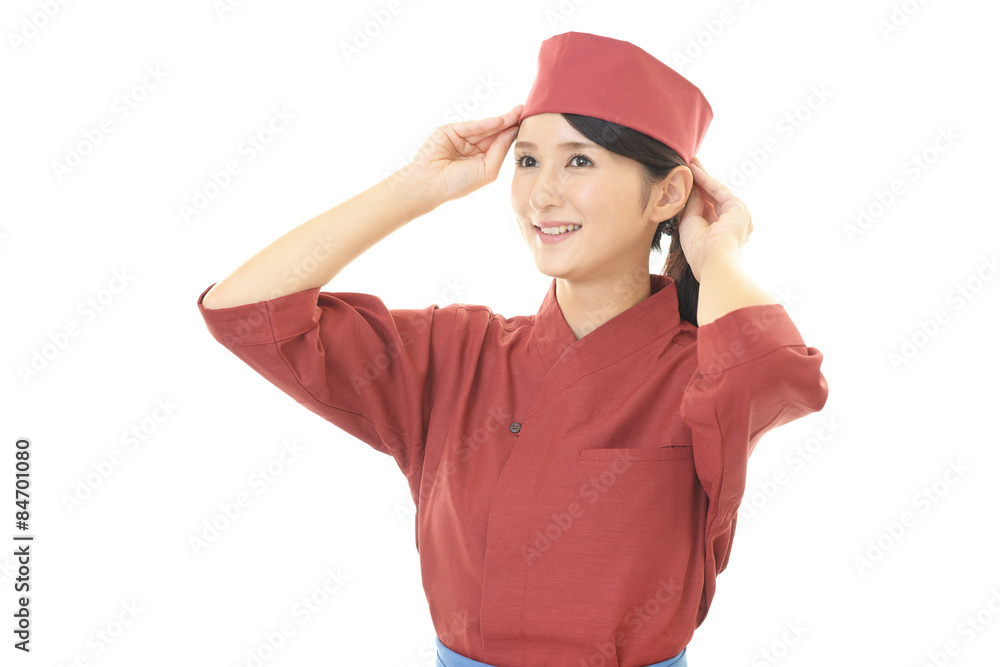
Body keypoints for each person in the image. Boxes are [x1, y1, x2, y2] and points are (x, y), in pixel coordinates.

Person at [197, 31, 828, 667]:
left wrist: (716, 252)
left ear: (665, 194)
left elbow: (777, 372)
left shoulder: (700, 368)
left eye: (579, 161)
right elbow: (246, 313)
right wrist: (417, 186)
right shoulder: (455, 355)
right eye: (527, 161)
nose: (540, 195)